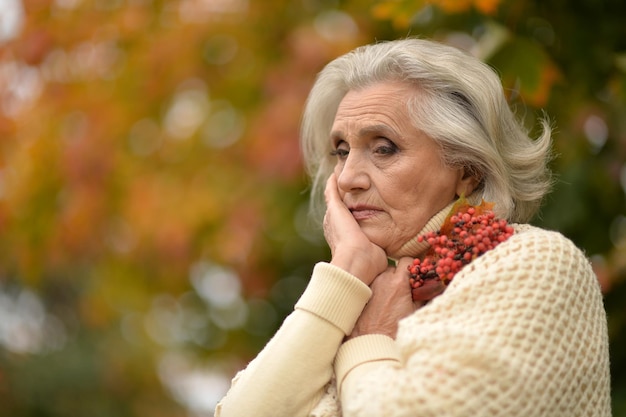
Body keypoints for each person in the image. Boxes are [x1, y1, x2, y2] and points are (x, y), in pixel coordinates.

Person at [214, 38, 611, 417]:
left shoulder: (538, 264)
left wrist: (371, 341)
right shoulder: (360, 291)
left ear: (468, 171)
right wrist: (345, 270)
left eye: (383, 148)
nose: (348, 177)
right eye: (341, 151)